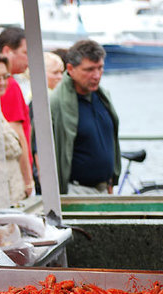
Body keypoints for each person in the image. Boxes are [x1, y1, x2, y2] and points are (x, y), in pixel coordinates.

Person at [50, 39, 121, 194]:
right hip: (76, 189)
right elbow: (41, 153)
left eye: (100, 68)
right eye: (89, 70)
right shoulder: (56, 103)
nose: (96, 75)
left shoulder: (103, 97)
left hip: (104, 187)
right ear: (70, 69)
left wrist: (110, 181)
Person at [0, 26, 34, 197]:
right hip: (14, 178)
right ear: (7, 51)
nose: (29, 58)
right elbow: (17, 137)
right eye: (25, 52)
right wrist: (28, 180)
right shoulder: (9, 86)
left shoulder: (1, 86)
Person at [29, 51, 65, 194]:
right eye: (55, 73)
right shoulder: (40, 103)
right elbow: (38, 144)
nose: (60, 77)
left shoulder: (44, 99)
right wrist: (45, 180)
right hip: (46, 176)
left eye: (61, 72)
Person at [0, 54, 30, 205]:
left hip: (14, 195)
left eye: (6, 76)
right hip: (0, 199)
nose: (3, 82)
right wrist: (28, 180)